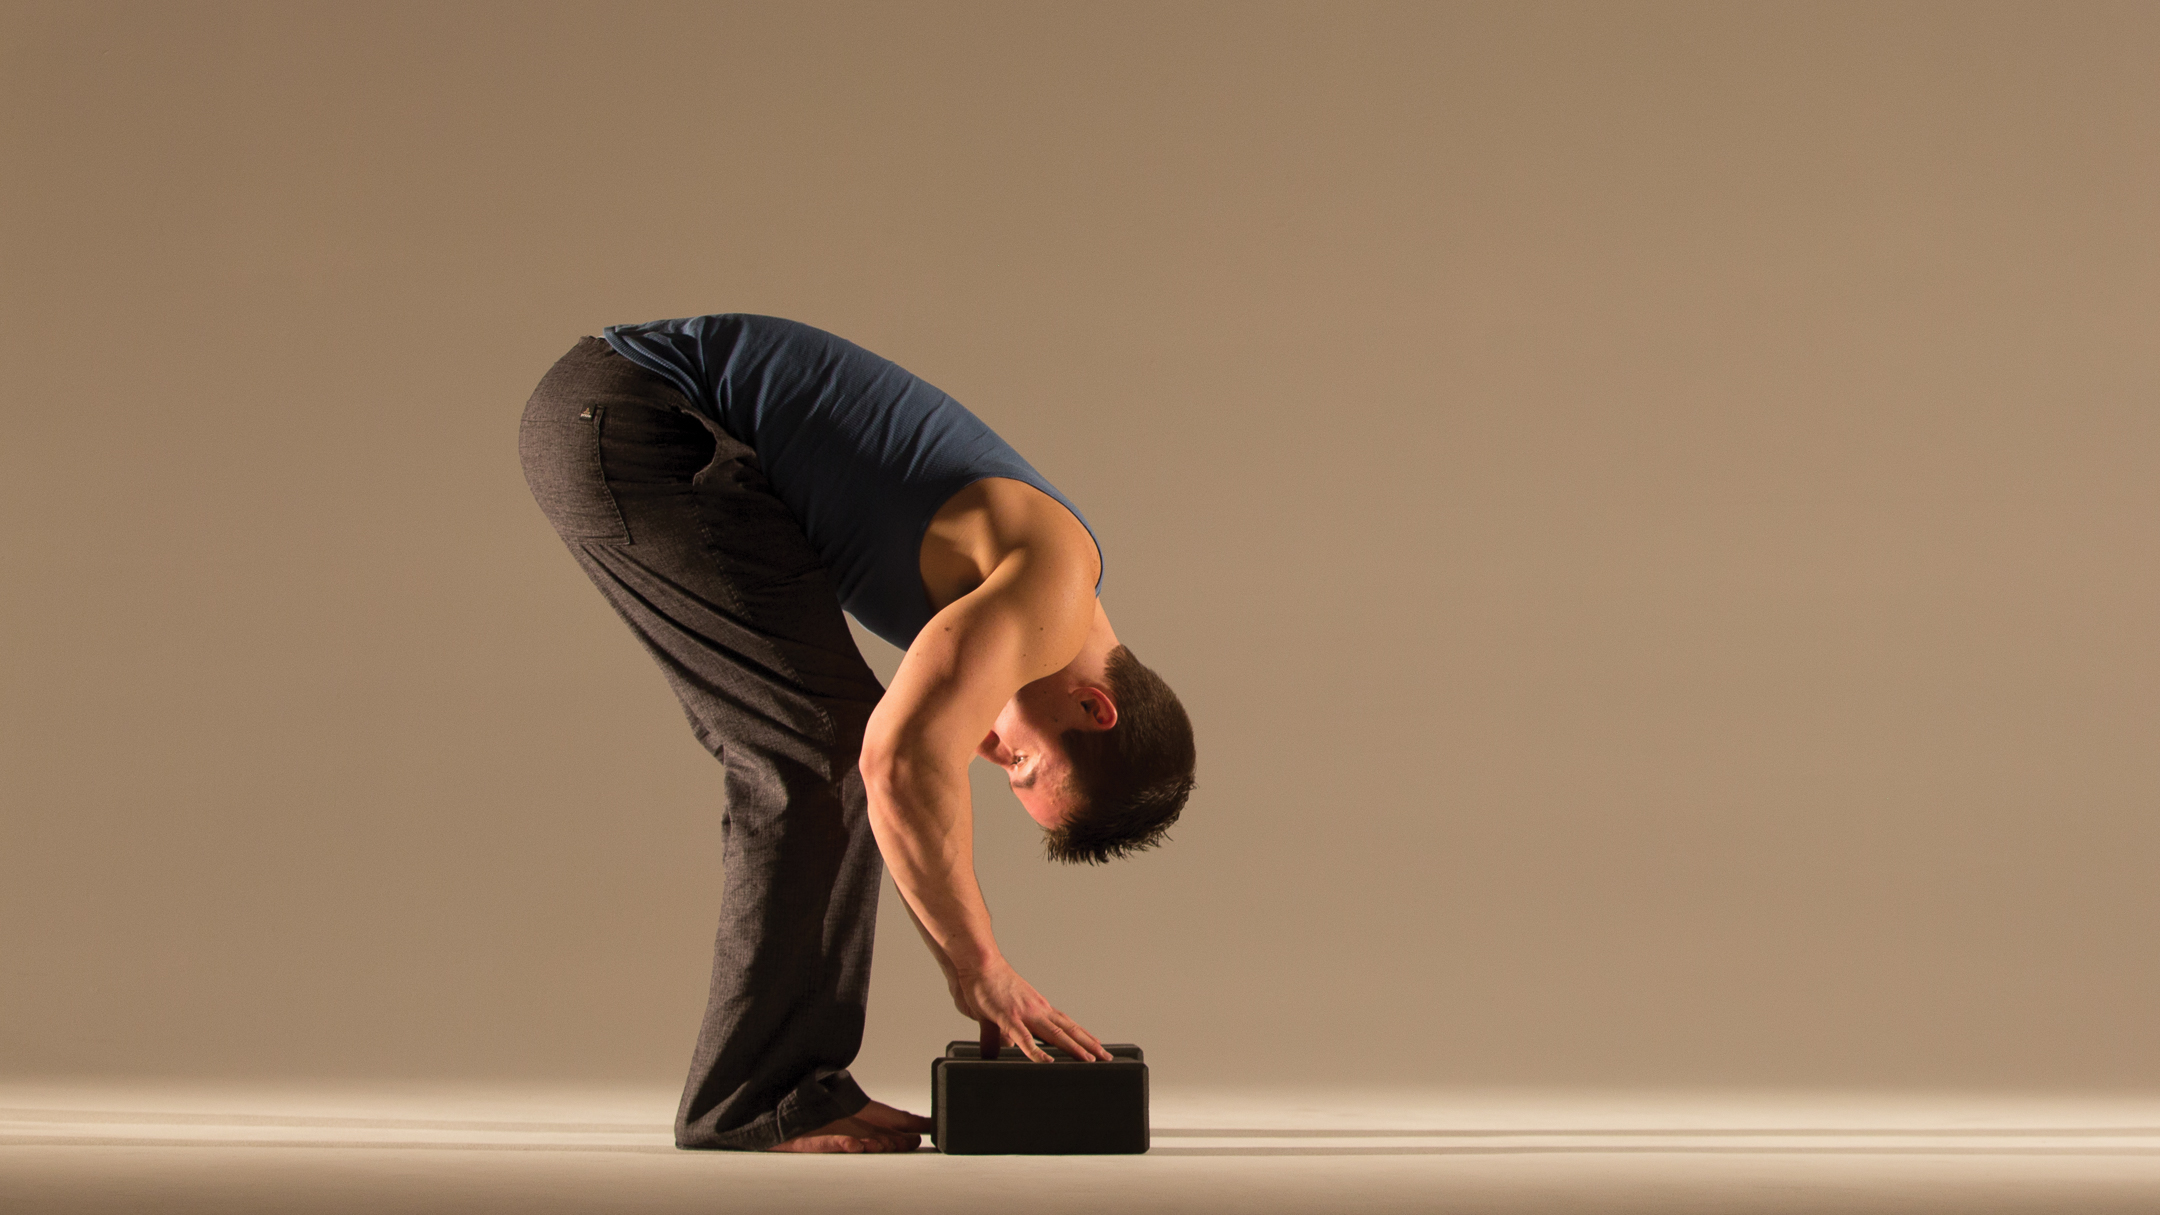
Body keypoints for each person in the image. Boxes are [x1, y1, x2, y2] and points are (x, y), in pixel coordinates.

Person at [517, 315, 1197, 1153]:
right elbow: (898, 761)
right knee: (824, 749)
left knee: (817, 745)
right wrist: (979, 968)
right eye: (1024, 763)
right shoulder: (1051, 597)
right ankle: (758, 1100)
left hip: (622, 418)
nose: (999, 756)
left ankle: (793, 1089)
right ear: (1096, 708)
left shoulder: (1050, 581)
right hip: (642, 415)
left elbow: (904, 756)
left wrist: (941, 744)